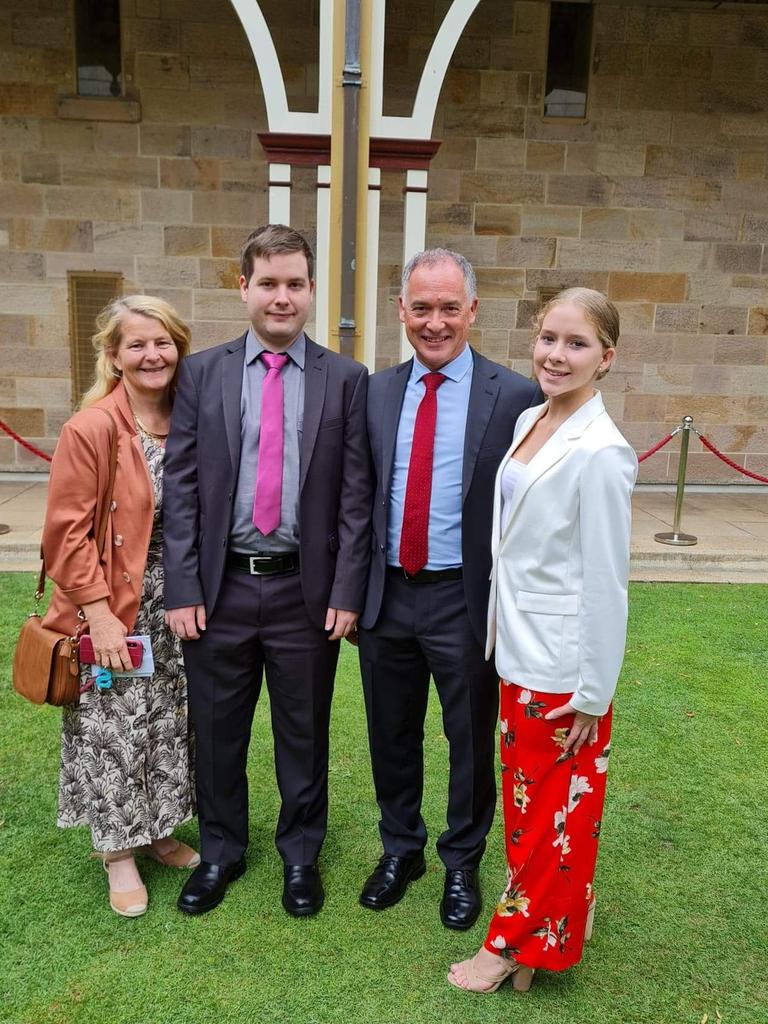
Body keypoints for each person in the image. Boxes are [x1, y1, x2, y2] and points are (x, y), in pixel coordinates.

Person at [163, 224, 371, 918]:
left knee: (303, 730)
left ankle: (301, 855)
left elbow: (353, 496)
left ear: (311, 291)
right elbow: (183, 488)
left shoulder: (347, 380)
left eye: (295, 285)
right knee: (218, 729)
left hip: (302, 594)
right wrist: (185, 585)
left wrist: (346, 591)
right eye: (268, 283)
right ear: (243, 286)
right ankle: (221, 850)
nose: (281, 298)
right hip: (219, 590)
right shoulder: (203, 373)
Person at [448, 287, 637, 994]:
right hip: (517, 645)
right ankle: (563, 916)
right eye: (549, 338)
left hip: (561, 669)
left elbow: (607, 583)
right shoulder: (532, 416)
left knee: (546, 809)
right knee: (543, 805)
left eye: (577, 343)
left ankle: (509, 948)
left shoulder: (603, 452)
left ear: (606, 357)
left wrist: (593, 691)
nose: (557, 354)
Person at [356, 248, 540, 930]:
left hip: (464, 598)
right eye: (422, 308)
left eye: (449, 307)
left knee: (468, 738)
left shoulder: (517, 396)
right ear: (402, 312)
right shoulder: (374, 390)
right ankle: (400, 850)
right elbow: (360, 497)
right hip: (387, 597)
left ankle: (462, 862)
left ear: (472, 311)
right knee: (389, 733)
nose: (436, 322)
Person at [41, 295, 198, 918]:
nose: (152, 354)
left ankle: (158, 830)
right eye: (137, 344)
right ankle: (117, 853)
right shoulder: (94, 429)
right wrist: (101, 614)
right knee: (112, 727)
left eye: (163, 343)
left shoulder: (191, 418)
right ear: (113, 356)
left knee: (166, 724)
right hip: (115, 605)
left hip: (176, 601)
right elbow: (65, 535)